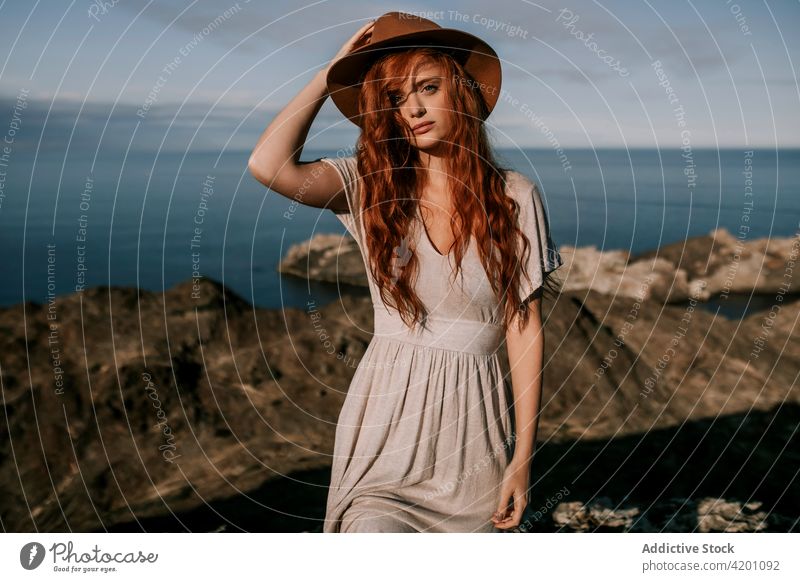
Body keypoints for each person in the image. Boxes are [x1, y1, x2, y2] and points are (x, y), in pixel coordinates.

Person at [248, 11, 564, 533]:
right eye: (395, 98)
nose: (412, 108)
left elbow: (523, 327)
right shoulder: (370, 185)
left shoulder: (516, 196)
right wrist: (330, 73)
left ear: (459, 91)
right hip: (385, 426)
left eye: (427, 87)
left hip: (476, 436)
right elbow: (269, 165)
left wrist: (521, 462)